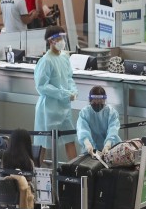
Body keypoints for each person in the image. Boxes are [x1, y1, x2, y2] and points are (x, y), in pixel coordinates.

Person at [33, 26, 79, 160]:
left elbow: (69, 77)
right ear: (50, 41)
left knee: (69, 138)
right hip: (49, 109)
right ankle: (35, 175)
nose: (61, 41)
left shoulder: (64, 57)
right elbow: (41, 86)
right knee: (44, 143)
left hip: (64, 108)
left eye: (62, 38)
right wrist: (64, 94)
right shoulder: (46, 61)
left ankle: (75, 172)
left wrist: (73, 91)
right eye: (58, 39)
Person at [76, 86, 120, 154]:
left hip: (111, 149)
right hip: (90, 150)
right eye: (94, 102)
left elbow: (113, 130)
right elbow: (82, 130)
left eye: (100, 102)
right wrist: (87, 144)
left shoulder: (111, 113)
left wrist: (108, 144)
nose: (97, 104)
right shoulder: (85, 113)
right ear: (90, 100)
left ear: (104, 100)